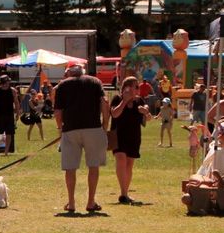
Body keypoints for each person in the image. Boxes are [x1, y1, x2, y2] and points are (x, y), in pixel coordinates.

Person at [53, 65, 110, 213]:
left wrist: (60, 129)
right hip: (93, 127)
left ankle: (71, 203)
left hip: (70, 129)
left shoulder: (62, 86)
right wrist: (105, 125)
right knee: (93, 165)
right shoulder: (95, 82)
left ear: (69, 74)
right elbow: (104, 103)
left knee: (70, 167)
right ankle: (91, 202)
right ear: (83, 72)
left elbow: (58, 112)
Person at [111, 76, 152, 205]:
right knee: (121, 159)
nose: (137, 89)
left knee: (129, 164)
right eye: (136, 87)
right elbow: (114, 114)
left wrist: (146, 113)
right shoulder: (117, 99)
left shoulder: (139, 101)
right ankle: (123, 193)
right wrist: (125, 101)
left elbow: (149, 119)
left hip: (134, 136)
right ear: (127, 88)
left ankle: (125, 193)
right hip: (118, 135)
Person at [0, 75, 20, 155]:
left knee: (9, 133)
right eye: (8, 81)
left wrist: (17, 112)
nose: (9, 83)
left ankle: (6, 151)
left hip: (9, 114)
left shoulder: (12, 90)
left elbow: (16, 102)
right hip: (0, 114)